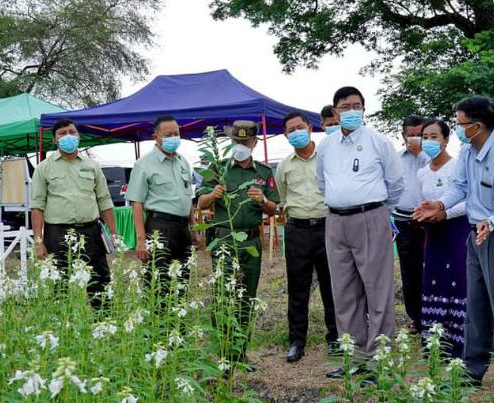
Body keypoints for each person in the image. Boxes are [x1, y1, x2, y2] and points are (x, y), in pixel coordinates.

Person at [415, 96, 494, 385]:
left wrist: (491, 221)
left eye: (461, 123)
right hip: (475, 234)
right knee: (475, 306)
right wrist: (440, 205)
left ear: (478, 126)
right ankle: (472, 369)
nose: (457, 128)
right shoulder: (468, 151)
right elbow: (460, 186)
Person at [317, 86, 404, 382]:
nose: (351, 111)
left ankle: (380, 359)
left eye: (357, 105)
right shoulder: (326, 146)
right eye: (344, 106)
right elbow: (321, 184)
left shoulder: (378, 142)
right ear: (335, 111)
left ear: (364, 109)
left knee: (377, 289)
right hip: (336, 221)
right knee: (343, 292)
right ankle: (353, 356)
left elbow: (395, 183)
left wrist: (379, 212)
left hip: (370, 216)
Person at [197, 119, 279, 361]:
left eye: (245, 142)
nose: (240, 145)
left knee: (246, 295)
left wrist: (263, 200)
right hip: (223, 240)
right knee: (223, 294)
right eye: (236, 142)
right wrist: (213, 194)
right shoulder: (218, 168)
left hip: (251, 242)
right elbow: (200, 203)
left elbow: (274, 210)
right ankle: (223, 352)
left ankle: (240, 353)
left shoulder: (263, 172)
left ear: (254, 143)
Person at [30, 119, 118, 309]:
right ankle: (62, 326)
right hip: (58, 233)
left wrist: (113, 233)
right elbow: (37, 206)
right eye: (62, 133)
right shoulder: (44, 168)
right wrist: (38, 242)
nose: (68, 136)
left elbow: (105, 200)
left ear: (79, 136)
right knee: (60, 283)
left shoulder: (92, 166)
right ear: (55, 139)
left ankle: (103, 324)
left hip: (92, 231)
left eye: (72, 132)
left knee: (100, 281)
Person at [276, 112, 339, 363]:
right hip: (297, 230)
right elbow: (283, 199)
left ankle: (335, 337)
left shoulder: (327, 158)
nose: (296, 132)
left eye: (300, 127)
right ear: (286, 135)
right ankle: (296, 341)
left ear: (310, 129)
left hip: (328, 227)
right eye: (291, 130)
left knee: (331, 285)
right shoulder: (284, 166)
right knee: (298, 288)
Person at [411, 119, 469, 356]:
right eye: (425, 136)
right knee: (433, 282)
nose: (429, 141)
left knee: (458, 281)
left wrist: (444, 214)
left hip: (457, 231)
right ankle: (435, 342)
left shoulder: (458, 167)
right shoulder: (422, 172)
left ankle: (459, 342)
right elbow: (421, 202)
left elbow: (468, 201)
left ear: (446, 140)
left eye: (434, 136)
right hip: (432, 235)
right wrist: (420, 215)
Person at [126, 115, 195, 280]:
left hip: (182, 228)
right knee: (159, 281)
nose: (173, 138)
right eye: (168, 135)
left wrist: (193, 227)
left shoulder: (183, 162)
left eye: (176, 133)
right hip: (159, 227)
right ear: (155, 137)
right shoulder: (144, 164)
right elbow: (136, 204)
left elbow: (188, 197)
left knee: (182, 278)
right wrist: (141, 240)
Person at [393, 116, 430, 334]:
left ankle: (435, 315)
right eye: (411, 134)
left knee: (432, 270)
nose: (415, 139)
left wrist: (421, 152)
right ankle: (416, 318)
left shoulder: (431, 158)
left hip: (430, 223)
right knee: (410, 273)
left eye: (420, 134)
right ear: (403, 136)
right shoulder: (397, 159)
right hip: (404, 221)